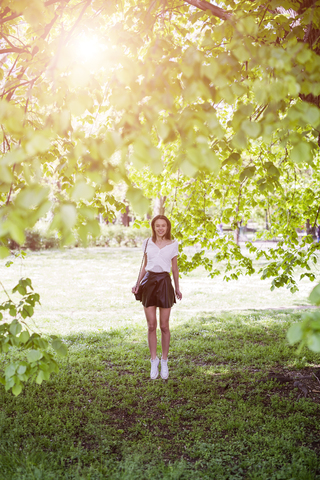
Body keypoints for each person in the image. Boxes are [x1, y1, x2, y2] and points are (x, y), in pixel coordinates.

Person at [132, 215, 182, 380]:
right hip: (149, 283)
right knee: (151, 325)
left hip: (165, 283)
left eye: (163, 226)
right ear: (153, 227)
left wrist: (177, 288)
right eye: (157, 226)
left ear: (167, 227)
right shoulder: (147, 243)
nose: (160, 228)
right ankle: (154, 360)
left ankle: (164, 361)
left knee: (164, 326)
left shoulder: (174, 244)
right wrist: (137, 283)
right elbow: (145, 267)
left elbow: (174, 269)